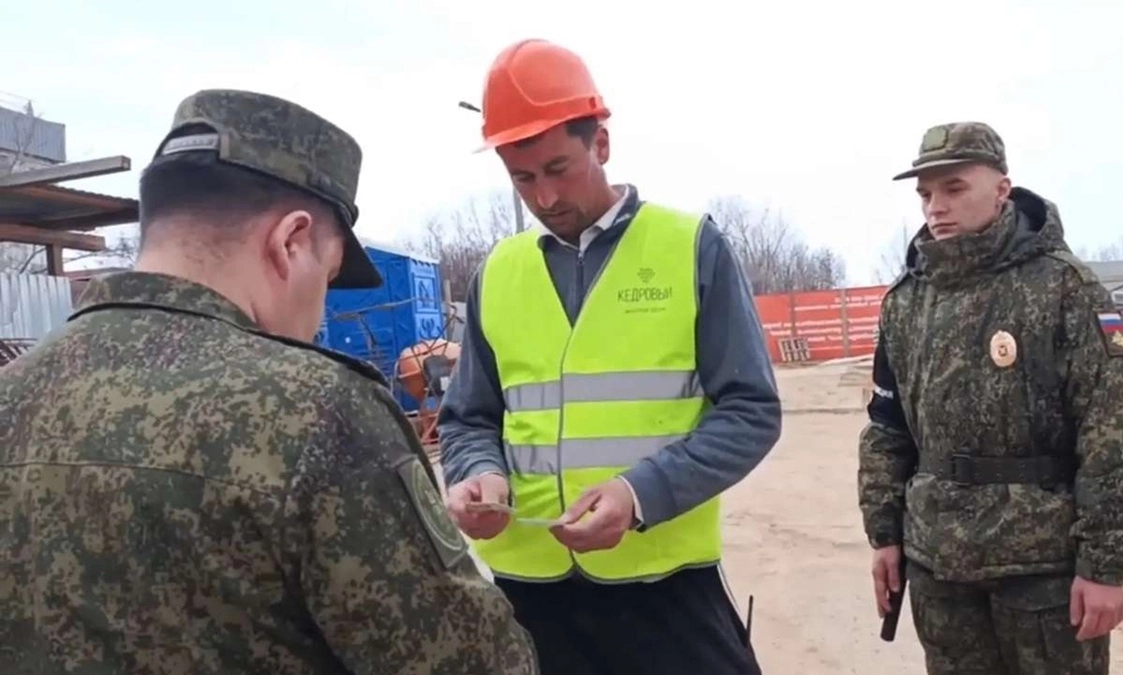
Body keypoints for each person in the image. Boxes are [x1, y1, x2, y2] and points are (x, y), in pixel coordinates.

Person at [0, 89, 538, 675]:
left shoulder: (13, 394)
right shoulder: (317, 412)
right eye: (329, 277)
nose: (319, 308)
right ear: (291, 241)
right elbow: (471, 663)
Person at [437, 38, 781, 675]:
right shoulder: (499, 272)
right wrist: (478, 472)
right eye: (522, 177)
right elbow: (468, 418)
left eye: (558, 168)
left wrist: (639, 492)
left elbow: (751, 411)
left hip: (663, 588)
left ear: (601, 144)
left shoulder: (690, 248)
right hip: (530, 592)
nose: (543, 197)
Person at [858, 121, 1123, 675]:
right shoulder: (906, 301)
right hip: (938, 565)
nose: (935, 208)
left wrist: (1106, 566)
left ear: (1001, 188)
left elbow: (1116, 434)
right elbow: (886, 427)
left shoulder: (1065, 289)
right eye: (925, 194)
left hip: (1042, 569)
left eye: (954, 188)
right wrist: (885, 533)